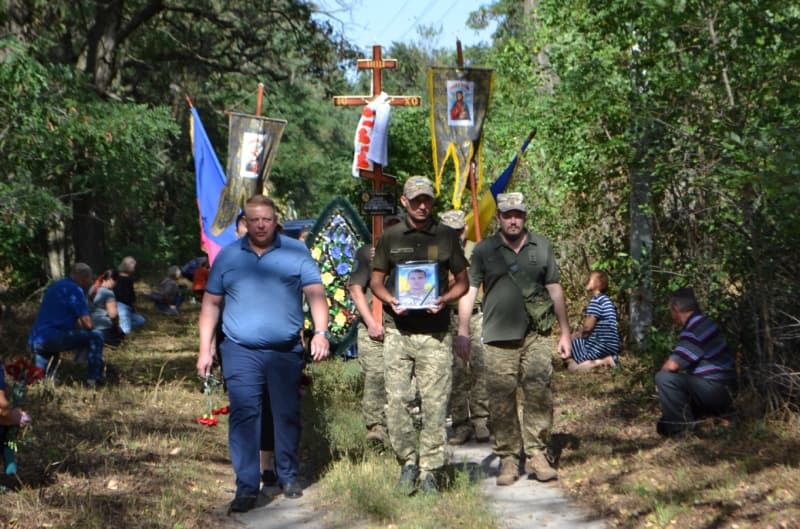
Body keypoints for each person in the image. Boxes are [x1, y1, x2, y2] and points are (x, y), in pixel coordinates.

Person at [196, 194, 330, 513]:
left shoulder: (296, 252)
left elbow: (316, 295)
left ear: (275, 221)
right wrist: (205, 349)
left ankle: (287, 475)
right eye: (253, 219)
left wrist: (321, 333)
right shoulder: (228, 257)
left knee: (285, 414)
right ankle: (246, 486)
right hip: (239, 350)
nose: (260, 224)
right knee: (244, 416)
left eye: (266, 219)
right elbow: (211, 304)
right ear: (245, 221)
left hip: (284, 350)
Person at [456, 192, 572, 486]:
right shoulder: (484, 250)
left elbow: (555, 288)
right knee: (501, 401)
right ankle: (509, 457)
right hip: (497, 338)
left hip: (537, 335)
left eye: (518, 214)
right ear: (499, 218)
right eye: (507, 214)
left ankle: (536, 454)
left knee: (539, 393)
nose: (513, 219)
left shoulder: (541, 246)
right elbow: (469, 291)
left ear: (525, 217)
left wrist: (565, 332)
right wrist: (464, 331)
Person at [370, 176, 469, 494]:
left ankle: (430, 471)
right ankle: (408, 464)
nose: (422, 205)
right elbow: (375, 281)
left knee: (435, 404)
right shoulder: (390, 237)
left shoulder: (446, 236)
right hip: (398, 332)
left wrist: (444, 298)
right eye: (416, 200)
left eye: (427, 199)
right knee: (396, 402)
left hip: (436, 334)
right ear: (404, 201)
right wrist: (389, 300)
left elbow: (462, 282)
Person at [348, 214, 402, 445]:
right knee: (376, 374)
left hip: (402, 326)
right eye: (387, 226)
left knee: (402, 380)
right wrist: (370, 321)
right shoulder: (367, 253)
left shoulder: (411, 250)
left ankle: (400, 425)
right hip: (374, 324)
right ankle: (376, 427)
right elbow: (356, 289)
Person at [655, 287, 737, 437]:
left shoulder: (695, 329)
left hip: (717, 389)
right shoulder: (703, 323)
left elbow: (672, 365)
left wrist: (660, 381)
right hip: (721, 388)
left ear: (675, 309)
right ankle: (695, 424)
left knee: (663, 378)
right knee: (664, 425)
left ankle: (682, 433)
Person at [439, 209, 490, 445]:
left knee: (480, 368)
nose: (455, 235)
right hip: (448, 316)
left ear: (464, 229)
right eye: (449, 231)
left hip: (477, 317)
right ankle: (461, 424)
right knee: (456, 372)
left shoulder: (478, 250)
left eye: (458, 230)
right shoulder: (436, 251)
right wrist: (459, 279)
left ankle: (482, 420)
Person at [28, 263, 106, 386]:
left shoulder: (57, 286)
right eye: (90, 278)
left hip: (36, 339)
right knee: (96, 336)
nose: (91, 281)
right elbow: (88, 324)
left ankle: (42, 383)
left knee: (42, 379)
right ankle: (94, 379)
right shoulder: (75, 290)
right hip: (54, 338)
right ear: (83, 278)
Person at [565, 270, 621, 372]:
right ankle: (605, 361)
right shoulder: (606, 300)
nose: (587, 281)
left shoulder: (596, 301)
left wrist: (573, 336)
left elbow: (587, 327)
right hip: (612, 345)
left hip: (601, 344)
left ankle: (603, 362)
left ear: (599, 283)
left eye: (590, 279)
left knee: (570, 345)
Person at [89, 269, 125, 346]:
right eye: (116, 282)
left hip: (89, 326)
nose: (116, 284)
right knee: (121, 335)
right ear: (111, 280)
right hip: (103, 327)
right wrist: (117, 326)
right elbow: (113, 315)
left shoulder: (92, 289)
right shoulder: (108, 293)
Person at [114, 256, 145, 334]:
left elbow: (131, 295)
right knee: (126, 331)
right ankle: (120, 331)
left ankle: (120, 326)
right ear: (129, 266)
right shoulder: (124, 279)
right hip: (122, 307)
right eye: (133, 266)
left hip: (125, 308)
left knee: (141, 320)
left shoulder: (120, 277)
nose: (134, 268)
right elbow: (130, 296)